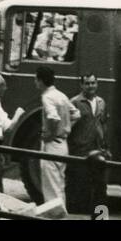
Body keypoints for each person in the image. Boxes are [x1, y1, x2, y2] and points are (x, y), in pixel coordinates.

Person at [65, 74, 107, 215]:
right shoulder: (75, 102)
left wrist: (104, 144)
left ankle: (97, 214)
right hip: (79, 149)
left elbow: (102, 124)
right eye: (87, 83)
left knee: (99, 184)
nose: (91, 86)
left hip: (97, 148)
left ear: (97, 84)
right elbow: (68, 126)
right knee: (79, 184)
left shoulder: (101, 102)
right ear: (82, 85)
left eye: (93, 83)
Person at [35, 65, 73, 209]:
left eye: (36, 79)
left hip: (52, 145)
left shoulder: (47, 97)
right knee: (59, 185)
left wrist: (50, 135)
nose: (35, 82)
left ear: (41, 81)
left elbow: (53, 117)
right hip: (63, 144)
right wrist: (66, 128)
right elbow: (75, 114)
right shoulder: (61, 95)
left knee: (51, 188)